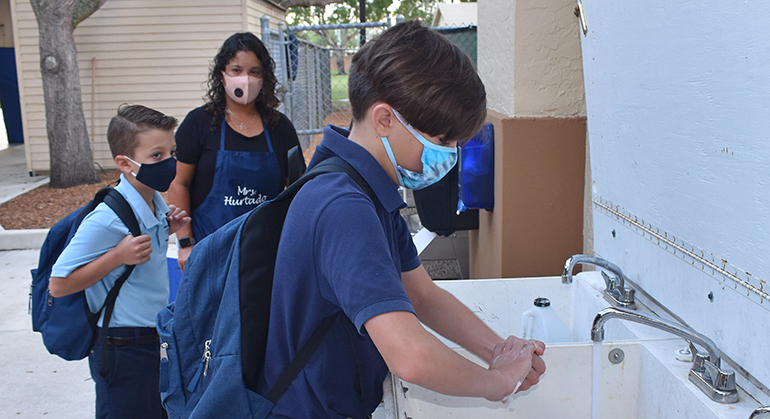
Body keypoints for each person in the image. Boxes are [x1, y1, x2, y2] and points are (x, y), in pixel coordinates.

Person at [256, 21, 546, 418]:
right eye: (442, 141)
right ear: (385, 120)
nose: (449, 156)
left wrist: (499, 353)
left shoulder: (361, 186)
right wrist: (497, 383)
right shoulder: (344, 206)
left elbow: (422, 296)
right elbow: (409, 356)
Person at [49, 104, 190, 419]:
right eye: (157, 156)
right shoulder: (107, 218)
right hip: (122, 347)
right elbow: (58, 285)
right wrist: (117, 256)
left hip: (153, 339)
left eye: (172, 152)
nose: (169, 162)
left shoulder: (153, 200)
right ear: (125, 163)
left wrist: (166, 229)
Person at [169, 32, 300, 270]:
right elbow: (179, 184)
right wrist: (185, 243)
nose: (245, 79)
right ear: (222, 75)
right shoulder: (198, 123)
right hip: (208, 249)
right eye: (236, 70)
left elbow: (296, 189)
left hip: (265, 252)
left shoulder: (280, 128)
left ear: (264, 77)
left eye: (254, 71)